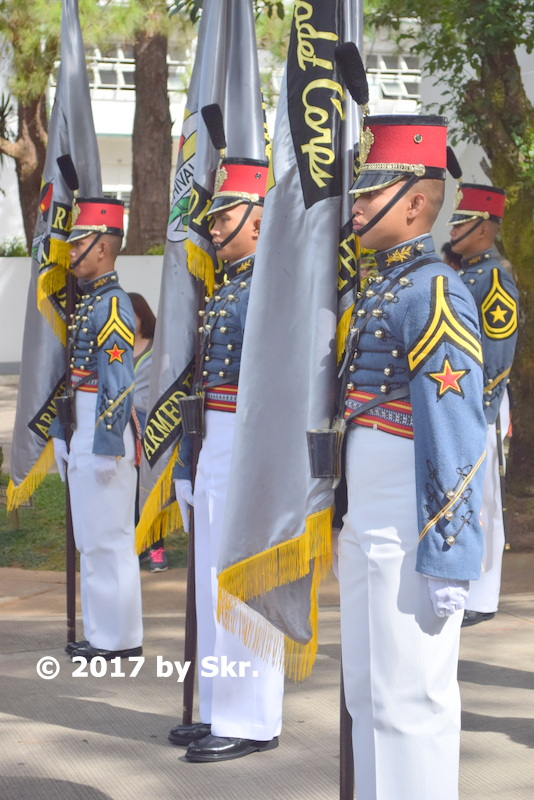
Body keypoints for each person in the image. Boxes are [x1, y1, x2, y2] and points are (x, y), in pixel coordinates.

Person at [337, 115, 487, 800]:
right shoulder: (382, 284)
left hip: (411, 515)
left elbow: (455, 429)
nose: (357, 205)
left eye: (371, 192)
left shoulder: (431, 289)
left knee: (412, 700)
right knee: (368, 695)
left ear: (417, 203)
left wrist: (450, 550)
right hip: (369, 519)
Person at [168, 152, 285, 763]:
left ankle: (252, 718)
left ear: (260, 220)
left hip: (248, 441)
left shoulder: (270, 285)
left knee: (242, 583)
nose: (211, 228)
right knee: (214, 579)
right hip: (216, 440)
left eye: (224, 215)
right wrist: (189, 464)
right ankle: (217, 706)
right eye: (211, 217)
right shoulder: (230, 286)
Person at [51, 198, 143, 661]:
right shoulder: (90, 302)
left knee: (110, 538)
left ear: (104, 248)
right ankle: (102, 632)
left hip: (102, 431)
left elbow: (118, 380)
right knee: (91, 537)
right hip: (82, 425)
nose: (70, 252)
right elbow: (73, 375)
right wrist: (60, 431)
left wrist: (106, 443)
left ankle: (120, 638)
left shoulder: (112, 305)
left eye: (80, 242)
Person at [449, 183, 519, 627]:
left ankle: (484, 594)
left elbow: (498, 349)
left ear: (485, 227)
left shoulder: (492, 278)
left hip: (482, 399)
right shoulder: (464, 272)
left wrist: (482, 406)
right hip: (464, 397)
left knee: (485, 499)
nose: (453, 228)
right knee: (469, 495)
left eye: (462, 221)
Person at [128, 292, 169, 573]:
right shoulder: (112, 346)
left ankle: (157, 549)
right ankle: (136, 544)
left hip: (148, 425)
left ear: (144, 316)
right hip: (121, 427)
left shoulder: (157, 348)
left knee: (150, 487)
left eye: (133, 315)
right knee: (127, 489)